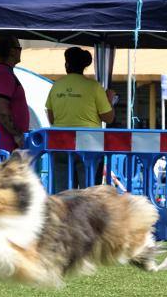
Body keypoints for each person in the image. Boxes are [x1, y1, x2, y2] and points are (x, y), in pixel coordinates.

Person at [45, 46, 115, 192]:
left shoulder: (56, 86)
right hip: (89, 144)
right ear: (84, 66)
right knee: (88, 193)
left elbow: (51, 117)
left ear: (66, 65)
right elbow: (108, 118)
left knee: (62, 193)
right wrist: (109, 100)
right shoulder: (94, 87)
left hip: (60, 143)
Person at [0, 35, 29, 153]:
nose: (21, 51)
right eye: (19, 48)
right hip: (6, 145)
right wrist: (17, 134)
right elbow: (2, 109)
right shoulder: (4, 75)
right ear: (12, 51)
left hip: (6, 143)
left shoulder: (3, 72)